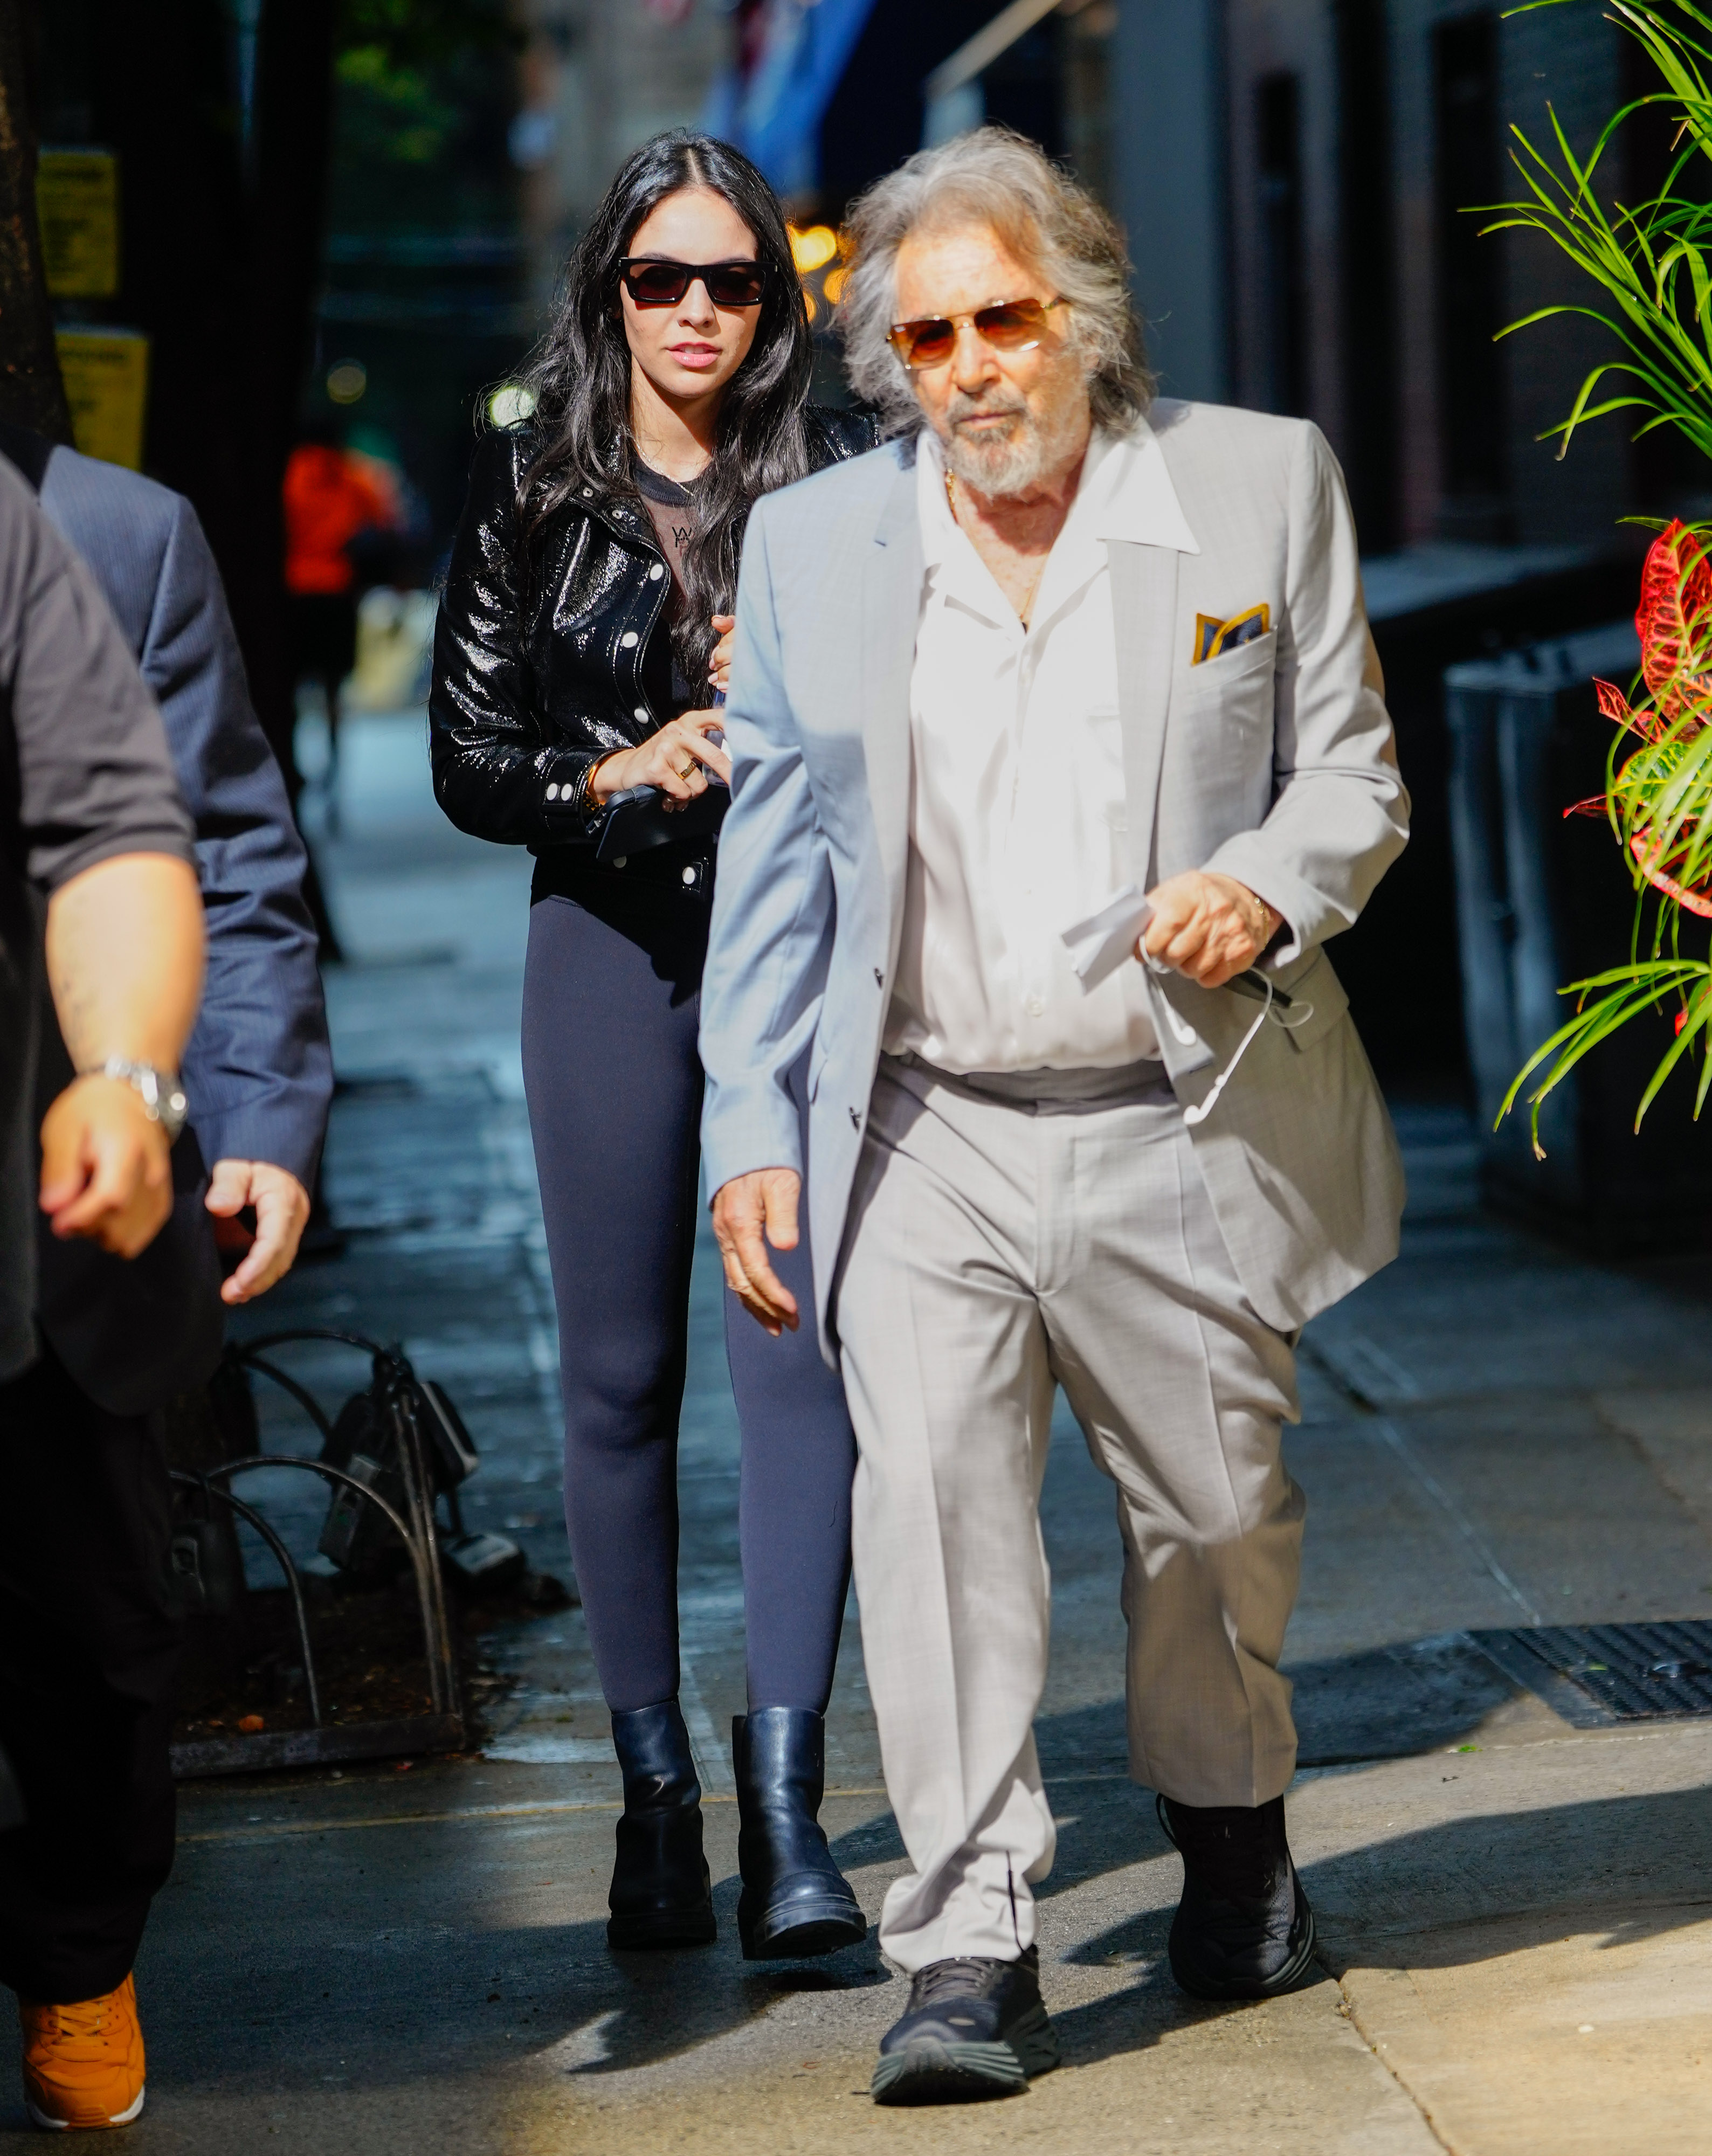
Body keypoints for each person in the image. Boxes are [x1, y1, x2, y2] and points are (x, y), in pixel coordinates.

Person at [701, 127, 1409, 2103]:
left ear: (1079, 314)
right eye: (926, 339)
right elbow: (775, 871)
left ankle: (1229, 1824)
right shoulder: (815, 550)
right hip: (920, 1120)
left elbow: (1347, 773)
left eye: (1004, 319)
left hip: (1174, 1111)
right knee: (926, 1519)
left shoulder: (1251, 486)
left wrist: (1259, 881)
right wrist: (747, 1122)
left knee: (1211, 1523)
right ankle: (960, 1943)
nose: (971, 368)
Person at [431, 129, 876, 1958]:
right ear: (608, 292)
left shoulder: (843, 477)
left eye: (730, 280)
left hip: (802, 959)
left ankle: (784, 1810)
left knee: (800, 1363)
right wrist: (614, 775)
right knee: (617, 1384)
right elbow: (471, 761)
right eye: (657, 279)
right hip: (610, 949)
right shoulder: (534, 486)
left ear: (772, 298)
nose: (695, 311)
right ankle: (653, 1802)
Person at [0, 449, 206, 2131]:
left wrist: (125, 1077)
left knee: (87, 1645)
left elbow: (114, 830)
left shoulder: (13, 542)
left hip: (25, 1235)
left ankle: (75, 1946)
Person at [283, 419, 399, 799]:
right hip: (337, 592)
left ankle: (292, 766)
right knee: (334, 691)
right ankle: (334, 773)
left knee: (294, 689)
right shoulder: (352, 474)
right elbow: (385, 519)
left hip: (295, 593)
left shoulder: (290, 473)